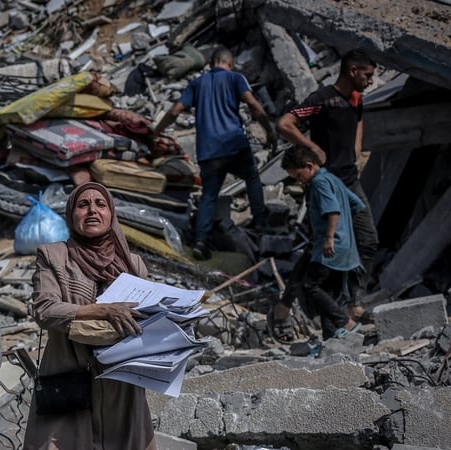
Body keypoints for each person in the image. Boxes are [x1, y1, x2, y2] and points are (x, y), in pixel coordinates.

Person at [23, 182, 156, 450]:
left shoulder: (133, 264)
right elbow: (45, 310)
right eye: (83, 205)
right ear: (72, 215)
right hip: (69, 377)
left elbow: (148, 316)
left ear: (111, 214)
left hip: (122, 384)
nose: (92, 210)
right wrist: (104, 310)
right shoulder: (54, 256)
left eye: (100, 204)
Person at [274, 48, 379, 330]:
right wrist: (311, 147)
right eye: (368, 75)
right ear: (352, 71)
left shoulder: (356, 98)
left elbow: (358, 120)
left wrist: (357, 147)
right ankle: (285, 304)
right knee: (317, 249)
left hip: (350, 180)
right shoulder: (321, 100)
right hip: (325, 183)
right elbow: (285, 123)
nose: (371, 81)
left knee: (368, 240)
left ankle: (353, 301)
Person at [153, 45, 277, 260]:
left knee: (209, 196)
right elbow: (254, 105)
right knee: (251, 177)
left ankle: (201, 241)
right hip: (235, 144)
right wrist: (270, 131)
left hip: (209, 150)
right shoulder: (235, 78)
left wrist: (156, 132)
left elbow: (174, 111)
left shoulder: (196, 83)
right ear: (230, 63)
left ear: (211, 64)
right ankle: (260, 225)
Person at [279, 146, 366, 339]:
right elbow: (357, 204)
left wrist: (330, 236)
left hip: (330, 248)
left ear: (309, 166)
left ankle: (345, 322)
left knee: (310, 286)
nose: (299, 180)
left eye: (299, 175)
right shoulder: (333, 179)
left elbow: (332, 209)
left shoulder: (319, 183)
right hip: (346, 248)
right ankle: (330, 340)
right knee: (329, 294)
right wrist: (344, 228)